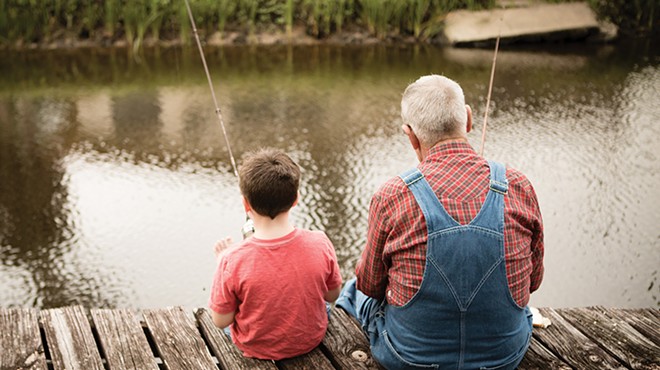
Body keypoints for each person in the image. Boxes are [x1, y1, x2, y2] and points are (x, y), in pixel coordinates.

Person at [336, 75, 544, 369]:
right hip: (503, 358)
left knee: (355, 288)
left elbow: (371, 285)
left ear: (410, 135)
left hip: (409, 360)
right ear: (468, 119)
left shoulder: (392, 196)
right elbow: (533, 281)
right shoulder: (519, 185)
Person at [209, 147, 343, 360]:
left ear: (246, 204)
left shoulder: (230, 259)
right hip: (310, 339)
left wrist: (221, 265)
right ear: (296, 198)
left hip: (257, 348)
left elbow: (220, 320)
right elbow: (332, 295)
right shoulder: (319, 241)